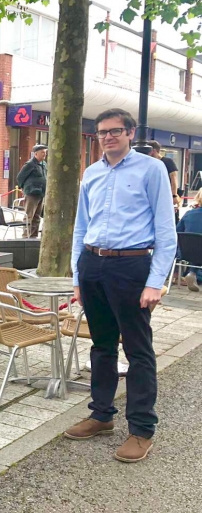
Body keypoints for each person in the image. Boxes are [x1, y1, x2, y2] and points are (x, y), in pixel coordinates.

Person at [66, 108, 176, 463]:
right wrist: (77, 276)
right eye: (102, 132)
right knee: (101, 346)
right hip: (93, 264)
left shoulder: (151, 169)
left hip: (132, 266)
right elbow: (81, 227)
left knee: (138, 350)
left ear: (130, 133)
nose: (108, 137)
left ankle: (142, 430)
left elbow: (165, 231)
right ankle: (101, 415)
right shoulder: (92, 173)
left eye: (115, 131)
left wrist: (155, 282)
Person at [16, 144, 48, 238]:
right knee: (29, 216)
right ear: (36, 154)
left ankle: (33, 236)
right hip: (32, 193)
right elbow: (20, 177)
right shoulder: (30, 164)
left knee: (37, 217)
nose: (44, 154)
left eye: (45, 152)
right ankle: (26, 236)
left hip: (41, 193)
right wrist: (24, 189)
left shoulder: (43, 164)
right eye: (42, 152)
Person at [147, 140, 181, 224]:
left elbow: (173, 179)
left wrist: (174, 195)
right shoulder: (149, 162)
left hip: (167, 194)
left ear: (153, 151)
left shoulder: (167, 161)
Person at [177, 189, 202, 291]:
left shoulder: (188, 214)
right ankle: (193, 273)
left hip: (185, 253)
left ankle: (192, 272)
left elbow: (177, 232)